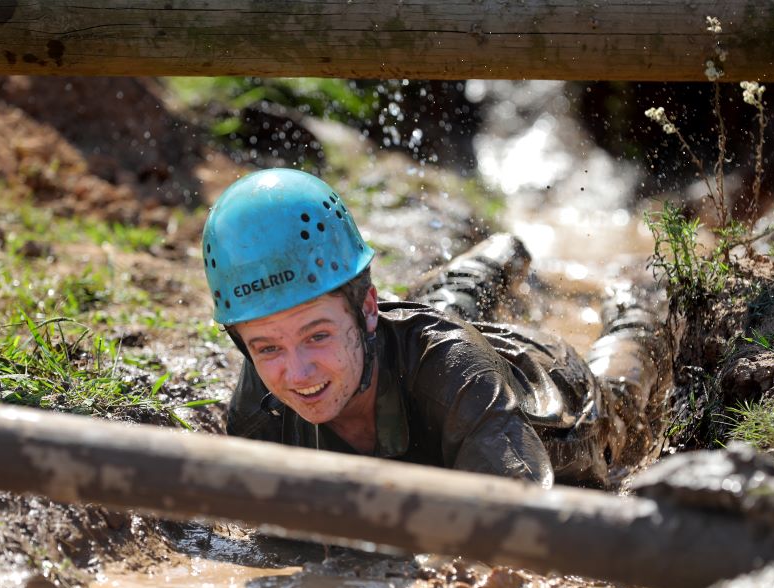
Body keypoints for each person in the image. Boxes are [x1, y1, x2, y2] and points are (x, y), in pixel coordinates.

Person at [203, 168, 661, 489]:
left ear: (368, 307)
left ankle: (639, 296)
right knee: (435, 315)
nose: (298, 374)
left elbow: (514, 532)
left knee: (623, 390)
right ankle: (495, 258)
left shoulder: (455, 371)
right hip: (418, 343)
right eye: (266, 348)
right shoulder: (261, 410)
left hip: (553, 390)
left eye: (315, 336)